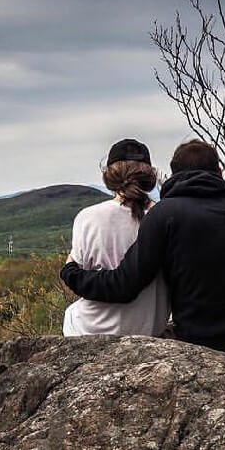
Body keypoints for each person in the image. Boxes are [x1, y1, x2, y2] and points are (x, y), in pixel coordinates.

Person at [60, 139, 225, 379]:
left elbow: (124, 285)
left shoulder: (165, 215)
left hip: (206, 348)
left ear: (173, 176)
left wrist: (71, 272)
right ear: (220, 172)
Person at [63, 138, 170, 338]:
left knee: (70, 313)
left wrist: (68, 269)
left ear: (110, 176)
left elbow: (80, 271)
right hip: (149, 328)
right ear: (150, 175)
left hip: (89, 329)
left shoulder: (88, 217)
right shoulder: (165, 217)